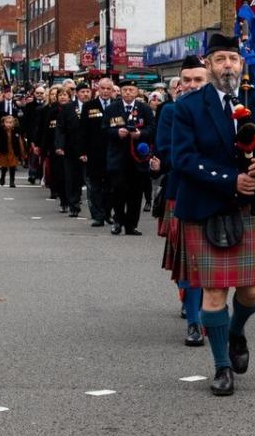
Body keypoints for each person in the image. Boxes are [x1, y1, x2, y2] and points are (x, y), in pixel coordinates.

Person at [171, 33, 255, 396]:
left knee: (250, 293)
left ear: (242, 64)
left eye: (234, 58)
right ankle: (221, 366)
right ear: (208, 65)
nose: (228, 65)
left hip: (248, 209)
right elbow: (182, 159)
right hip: (207, 207)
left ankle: (237, 331)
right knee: (213, 295)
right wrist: (231, 180)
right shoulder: (189, 108)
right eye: (221, 59)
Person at [155, 55, 208, 347]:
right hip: (182, 192)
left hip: (215, 193)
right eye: (186, 80)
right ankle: (193, 321)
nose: (191, 85)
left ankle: (203, 310)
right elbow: (166, 153)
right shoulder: (170, 113)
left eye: (198, 80)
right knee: (187, 264)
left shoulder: (223, 109)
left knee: (206, 263)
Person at [104, 81, 155, 236]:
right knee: (118, 192)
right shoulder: (112, 108)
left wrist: (141, 134)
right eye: (125, 90)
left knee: (135, 194)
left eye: (131, 90)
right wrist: (116, 133)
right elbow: (104, 129)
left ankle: (131, 225)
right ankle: (118, 221)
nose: (127, 93)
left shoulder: (144, 109)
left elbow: (152, 128)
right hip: (118, 158)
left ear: (136, 92)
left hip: (137, 159)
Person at [80, 79, 115, 226]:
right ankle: (98, 215)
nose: (105, 91)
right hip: (94, 152)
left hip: (113, 152)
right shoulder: (89, 106)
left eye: (108, 88)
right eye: (103, 88)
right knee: (95, 185)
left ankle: (107, 212)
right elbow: (83, 131)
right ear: (97, 89)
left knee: (110, 186)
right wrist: (83, 151)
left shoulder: (116, 105)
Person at [53, 88, 86, 216]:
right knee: (72, 178)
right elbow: (60, 128)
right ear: (77, 94)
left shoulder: (93, 106)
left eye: (87, 91)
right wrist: (59, 146)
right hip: (71, 147)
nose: (85, 94)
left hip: (89, 148)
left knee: (89, 179)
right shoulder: (68, 107)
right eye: (82, 91)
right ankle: (73, 205)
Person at [0, 114, 26, 187]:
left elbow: (20, 141)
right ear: (4, 123)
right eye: (7, 122)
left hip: (13, 151)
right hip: (4, 150)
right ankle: (2, 177)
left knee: (12, 166)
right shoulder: (1, 130)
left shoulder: (17, 131)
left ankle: (12, 181)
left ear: (13, 123)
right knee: (4, 166)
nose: (8, 124)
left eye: (10, 123)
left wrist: (22, 152)